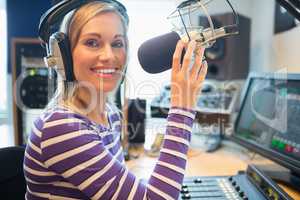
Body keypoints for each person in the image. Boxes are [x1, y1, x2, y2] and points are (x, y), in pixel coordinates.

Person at [23, 1, 207, 199]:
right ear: (63, 56)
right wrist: (182, 108)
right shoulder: (61, 127)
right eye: (92, 42)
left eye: (117, 43)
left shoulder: (109, 114)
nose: (109, 56)